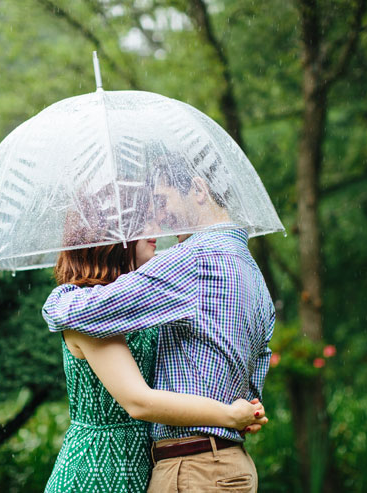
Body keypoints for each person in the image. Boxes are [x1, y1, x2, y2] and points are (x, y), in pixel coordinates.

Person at [43, 152, 275, 493]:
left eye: (162, 202)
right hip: (109, 471)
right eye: (145, 219)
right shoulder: (248, 269)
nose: (160, 225)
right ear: (111, 237)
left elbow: (83, 310)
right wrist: (235, 414)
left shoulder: (192, 261)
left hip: (192, 467)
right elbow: (255, 364)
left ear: (198, 189)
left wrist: (57, 303)